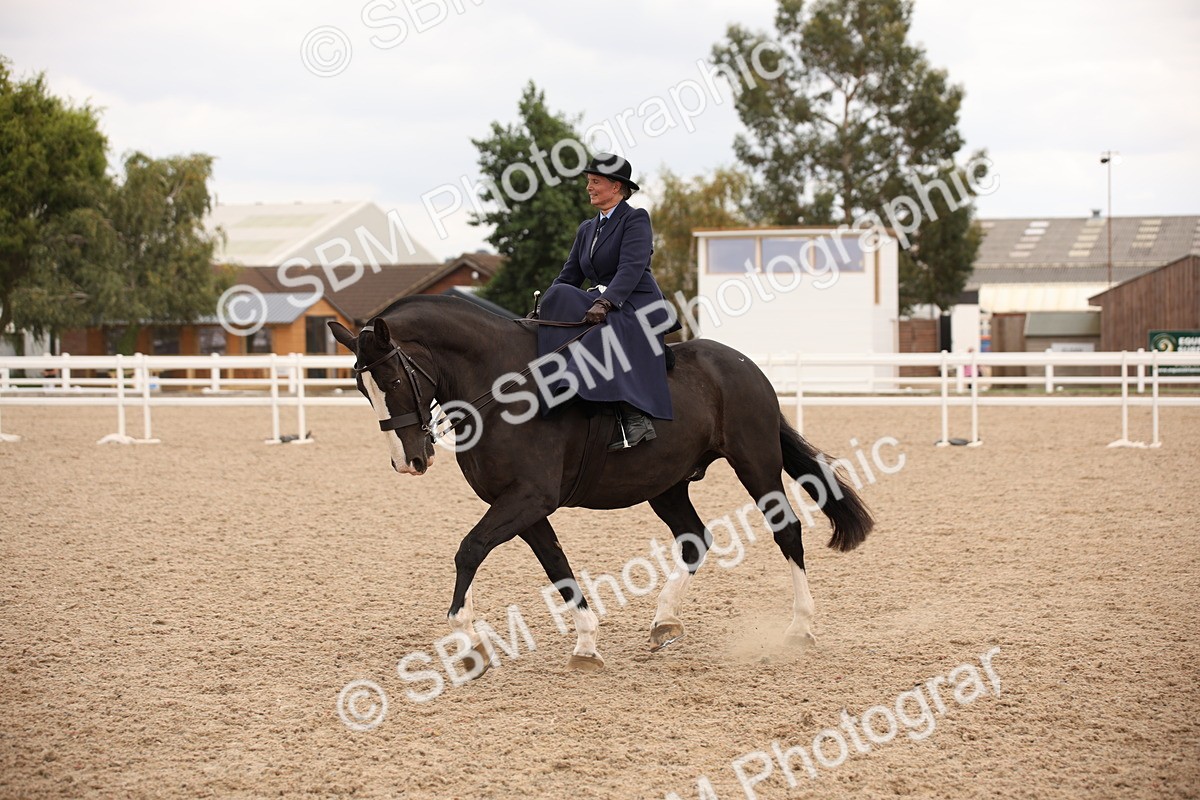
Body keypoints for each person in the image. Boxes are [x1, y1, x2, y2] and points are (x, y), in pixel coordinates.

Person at [533, 153, 678, 450]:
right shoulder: (587, 228)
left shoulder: (635, 219)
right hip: (599, 300)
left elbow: (631, 268)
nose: (589, 187)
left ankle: (634, 415)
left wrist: (606, 302)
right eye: (589, 181)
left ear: (616, 187)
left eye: (595, 181)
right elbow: (569, 276)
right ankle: (557, 386)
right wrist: (543, 308)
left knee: (601, 330)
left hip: (635, 300)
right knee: (559, 295)